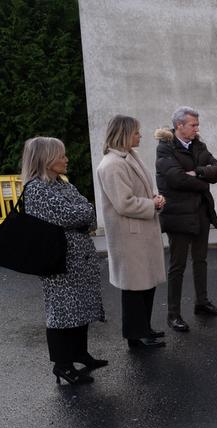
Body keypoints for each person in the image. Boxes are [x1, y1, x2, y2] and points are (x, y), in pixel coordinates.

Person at [21, 137, 106, 385]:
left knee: (79, 306)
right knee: (62, 311)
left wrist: (84, 212)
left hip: (80, 258)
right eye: (61, 155)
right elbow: (72, 214)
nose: (66, 159)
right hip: (59, 260)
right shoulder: (36, 189)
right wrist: (85, 211)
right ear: (46, 159)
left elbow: (88, 215)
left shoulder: (62, 184)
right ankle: (63, 364)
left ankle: (80, 353)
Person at [96, 115, 167, 349]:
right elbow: (123, 203)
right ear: (124, 134)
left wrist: (153, 198)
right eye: (136, 132)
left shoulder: (129, 157)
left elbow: (140, 190)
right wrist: (152, 204)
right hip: (129, 235)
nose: (140, 135)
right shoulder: (112, 164)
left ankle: (143, 328)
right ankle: (136, 335)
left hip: (139, 232)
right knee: (135, 287)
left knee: (145, 284)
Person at [155, 106, 217, 333]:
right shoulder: (165, 148)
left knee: (201, 260)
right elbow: (175, 179)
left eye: (197, 124)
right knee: (177, 265)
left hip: (200, 213)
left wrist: (197, 173)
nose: (197, 129)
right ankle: (173, 314)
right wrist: (204, 181)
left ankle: (202, 302)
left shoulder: (199, 145)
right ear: (180, 126)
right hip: (178, 215)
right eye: (193, 125)